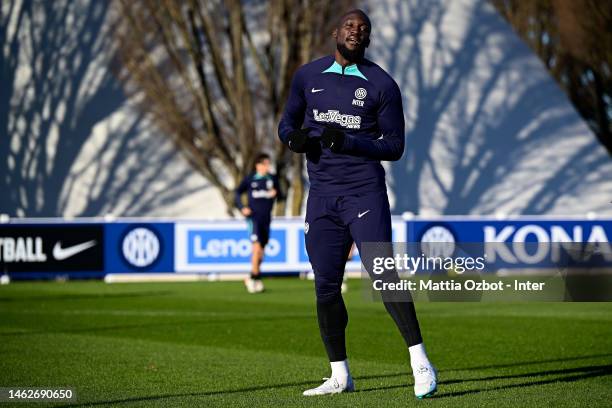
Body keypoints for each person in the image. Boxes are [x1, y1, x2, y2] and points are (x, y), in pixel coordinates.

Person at [278, 9, 437, 398]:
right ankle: (340, 376)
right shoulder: (307, 76)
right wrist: (291, 139)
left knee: (383, 275)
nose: (356, 31)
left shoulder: (382, 84)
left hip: (364, 195)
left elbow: (395, 147)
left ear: (368, 39)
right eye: (350, 25)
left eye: (363, 28)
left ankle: (421, 362)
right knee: (326, 287)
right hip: (321, 198)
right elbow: (286, 124)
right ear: (336, 32)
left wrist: (349, 142)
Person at [234, 153, 280, 294]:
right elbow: (237, 192)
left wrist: (276, 193)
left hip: (266, 218)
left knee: (262, 252)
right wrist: (242, 207)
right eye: (264, 164)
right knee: (257, 248)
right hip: (254, 218)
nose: (267, 167)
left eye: (268, 164)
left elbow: (281, 194)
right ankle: (254, 279)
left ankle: (253, 277)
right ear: (258, 165)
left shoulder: (272, 179)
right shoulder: (250, 179)